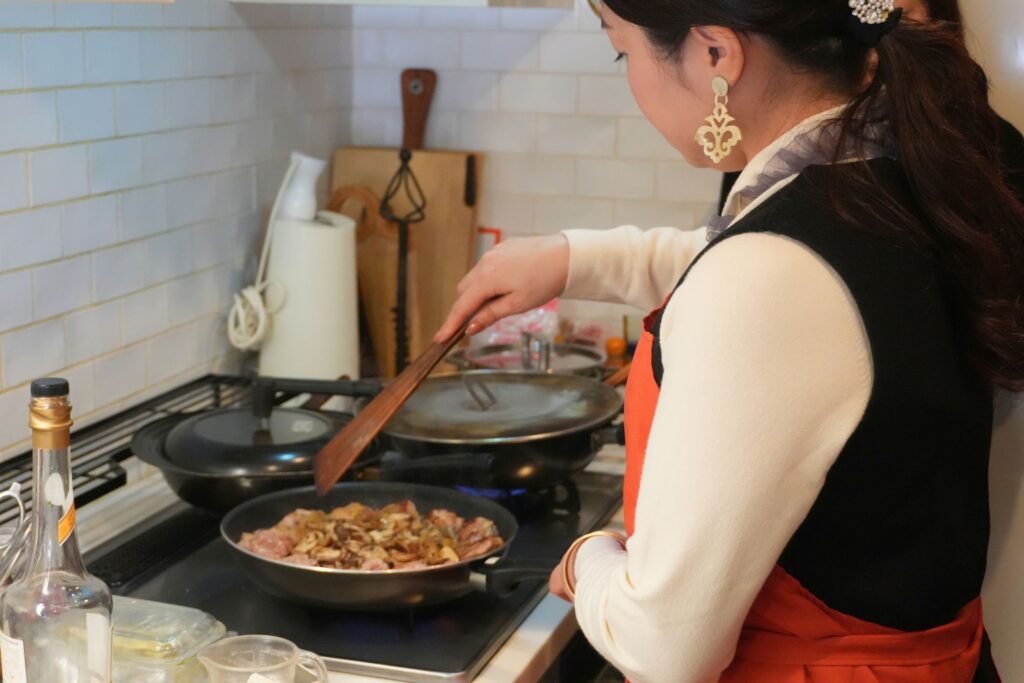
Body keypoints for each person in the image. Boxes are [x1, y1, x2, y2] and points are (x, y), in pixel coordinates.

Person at [436, 0, 1024, 680]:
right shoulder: (904, 176)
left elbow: (663, 646)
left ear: (716, 53)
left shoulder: (771, 271)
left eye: (623, 50)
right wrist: (571, 258)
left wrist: (584, 559)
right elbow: (776, 275)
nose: (630, 78)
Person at [718, 0, 1024, 212]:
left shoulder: (996, 146)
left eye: (892, 18)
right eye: (855, 22)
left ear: (938, 20)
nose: (869, 47)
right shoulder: (769, 147)